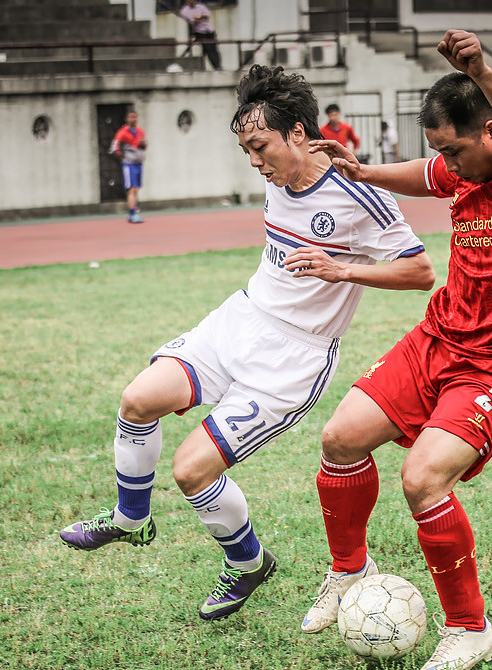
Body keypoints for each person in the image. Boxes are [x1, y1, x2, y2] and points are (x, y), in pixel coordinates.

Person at [58, 65, 434, 623]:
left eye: (261, 148)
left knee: (192, 470)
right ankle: (130, 517)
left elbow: (422, 271)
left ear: (299, 135)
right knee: (138, 399)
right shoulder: (277, 175)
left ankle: (248, 561)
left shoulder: (359, 192)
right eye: (246, 151)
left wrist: (340, 271)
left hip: (294, 359)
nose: (255, 162)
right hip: (239, 320)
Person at [305, 29, 492, 670]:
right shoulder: (463, 169)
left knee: (423, 478)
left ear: (491, 133)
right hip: (441, 337)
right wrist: (363, 170)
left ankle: (470, 628)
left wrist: (484, 71)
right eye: (441, 154)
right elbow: (428, 176)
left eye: (455, 150)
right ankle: (349, 572)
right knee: (341, 438)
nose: (448, 167)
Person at [110, 110, 146, 223]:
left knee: (136, 189)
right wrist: (124, 157)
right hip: (129, 164)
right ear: (127, 119)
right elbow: (115, 147)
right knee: (132, 188)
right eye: (131, 117)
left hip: (139, 163)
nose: (133, 119)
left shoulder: (140, 132)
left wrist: (142, 145)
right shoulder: (122, 132)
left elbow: (143, 145)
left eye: (135, 117)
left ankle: (134, 210)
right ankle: (132, 212)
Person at [177, 0, 222, 71]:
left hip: (209, 30)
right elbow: (193, 21)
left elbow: (206, 16)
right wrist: (201, 17)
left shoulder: (201, 6)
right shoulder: (185, 10)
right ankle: (215, 66)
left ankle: (218, 66)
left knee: (213, 49)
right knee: (208, 49)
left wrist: (199, 18)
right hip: (199, 32)